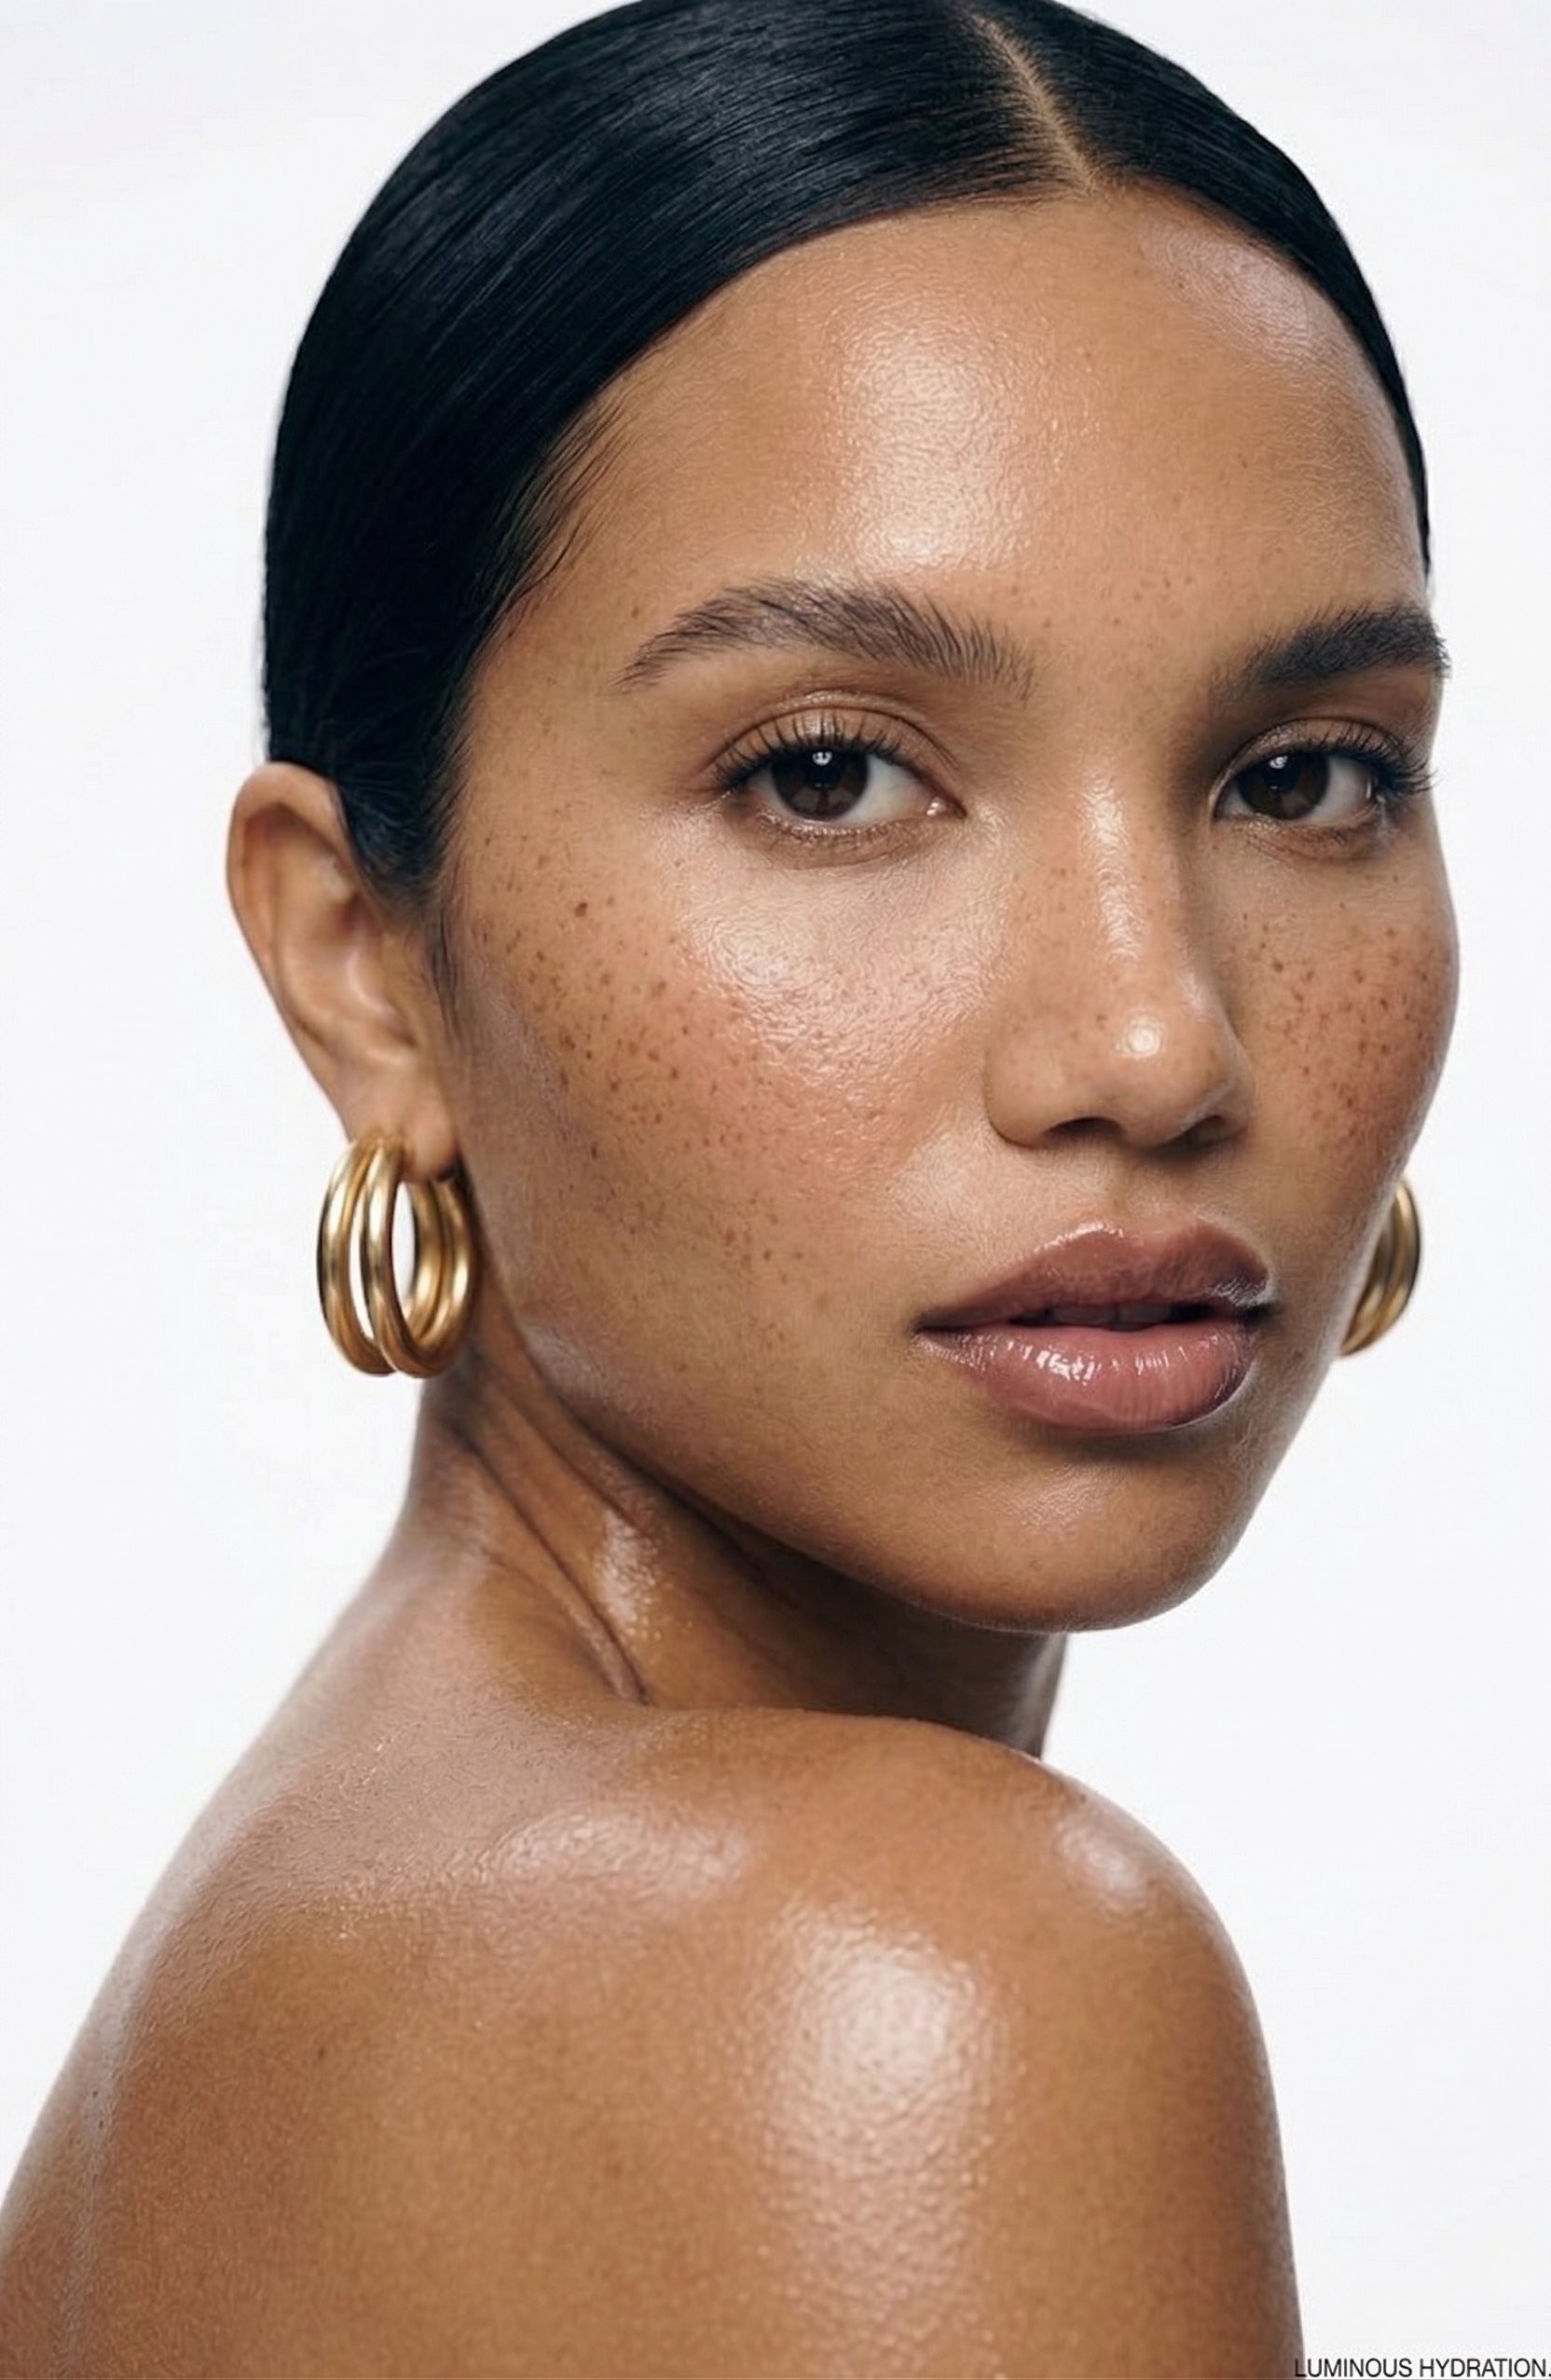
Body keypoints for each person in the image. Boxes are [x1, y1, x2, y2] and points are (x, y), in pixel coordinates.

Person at [0, 0, 1457, 2370]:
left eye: (1298, 778)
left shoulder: (315, 1923)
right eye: (825, 779)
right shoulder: (901, 1982)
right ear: (365, 960)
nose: (1154, 1037)